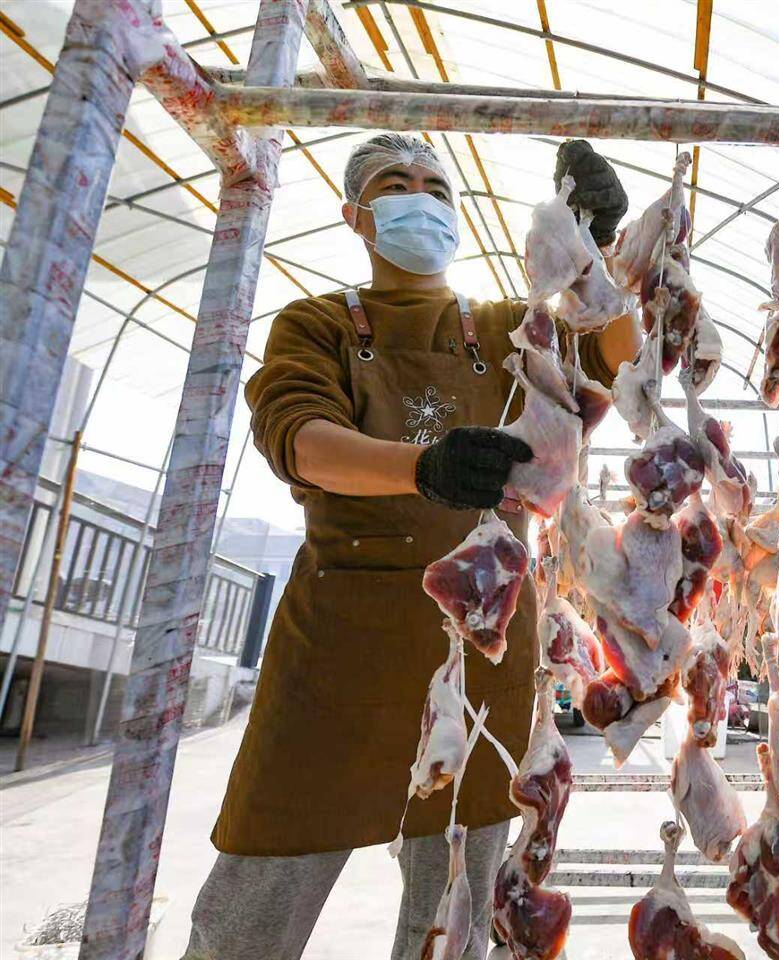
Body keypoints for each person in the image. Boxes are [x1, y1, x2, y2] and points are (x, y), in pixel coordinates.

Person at [184, 134, 636, 960]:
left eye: (437, 188)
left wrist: (594, 250)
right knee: (252, 909)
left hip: (485, 649)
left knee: (455, 914)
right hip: (341, 652)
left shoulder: (505, 328)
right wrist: (422, 467)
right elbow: (298, 436)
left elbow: (618, 353)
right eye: (397, 184)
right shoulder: (316, 324)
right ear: (356, 215)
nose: (421, 199)